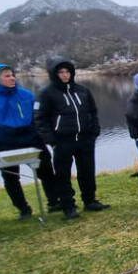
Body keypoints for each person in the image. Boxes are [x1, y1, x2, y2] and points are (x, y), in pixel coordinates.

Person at [0, 63, 60, 219]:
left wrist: (42, 137)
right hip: (4, 143)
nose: (12, 78)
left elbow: (38, 118)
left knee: (46, 170)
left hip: (31, 139)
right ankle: (23, 208)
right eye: (7, 76)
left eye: (12, 75)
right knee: (11, 177)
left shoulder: (26, 95)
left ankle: (54, 201)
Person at [35, 57, 108, 216]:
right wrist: (51, 141)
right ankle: (69, 206)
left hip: (85, 138)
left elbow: (93, 112)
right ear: (54, 74)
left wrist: (94, 132)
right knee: (63, 175)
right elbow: (40, 119)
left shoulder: (82, 90)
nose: (65, 75)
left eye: (67, 71)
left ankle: (90, 200)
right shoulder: (46, 93)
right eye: (61, 72)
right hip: (62, 140)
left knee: (87, 171)